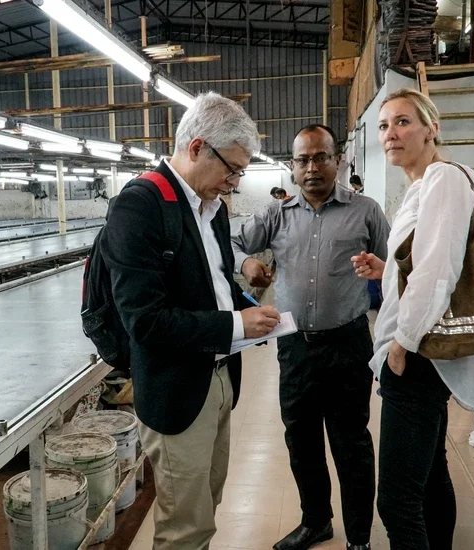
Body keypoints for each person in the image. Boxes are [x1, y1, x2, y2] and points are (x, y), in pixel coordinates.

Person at [100, 92, 282, 549]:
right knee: (184, 525)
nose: (235, 182)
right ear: (198, 147)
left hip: (217, 378)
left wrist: (245, 304)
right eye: (233, 169)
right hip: (176, 387)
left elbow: (214, 281)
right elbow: (146, 321)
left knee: (205, 505)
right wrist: (238, 326)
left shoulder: (212, 208)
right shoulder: (140, 206)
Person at [232, 123, 390, 550]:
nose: (313, 167)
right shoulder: (275, 214)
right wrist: (247, 263)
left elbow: (394, 268)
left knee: (351, 443)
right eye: (303, 159)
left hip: (348, 344)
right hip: (295, 347)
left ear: (338, 161)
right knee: (301, 441)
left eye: (322, 157)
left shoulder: (367, 211)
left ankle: (359, 538)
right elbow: (228, 242)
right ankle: (316, 520)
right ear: (292, 167)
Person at [352, 88, 474, 549]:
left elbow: (438, 271)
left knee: (396, 500)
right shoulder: (421, 185)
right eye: (384, 125)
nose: (391, 133)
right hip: (416, 352)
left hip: (416, 356)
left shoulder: (444, 180)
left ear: (433, 129)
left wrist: (401, 343)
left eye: (404, 122)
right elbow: (423, 262)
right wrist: (386, 269)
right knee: (430, 476)